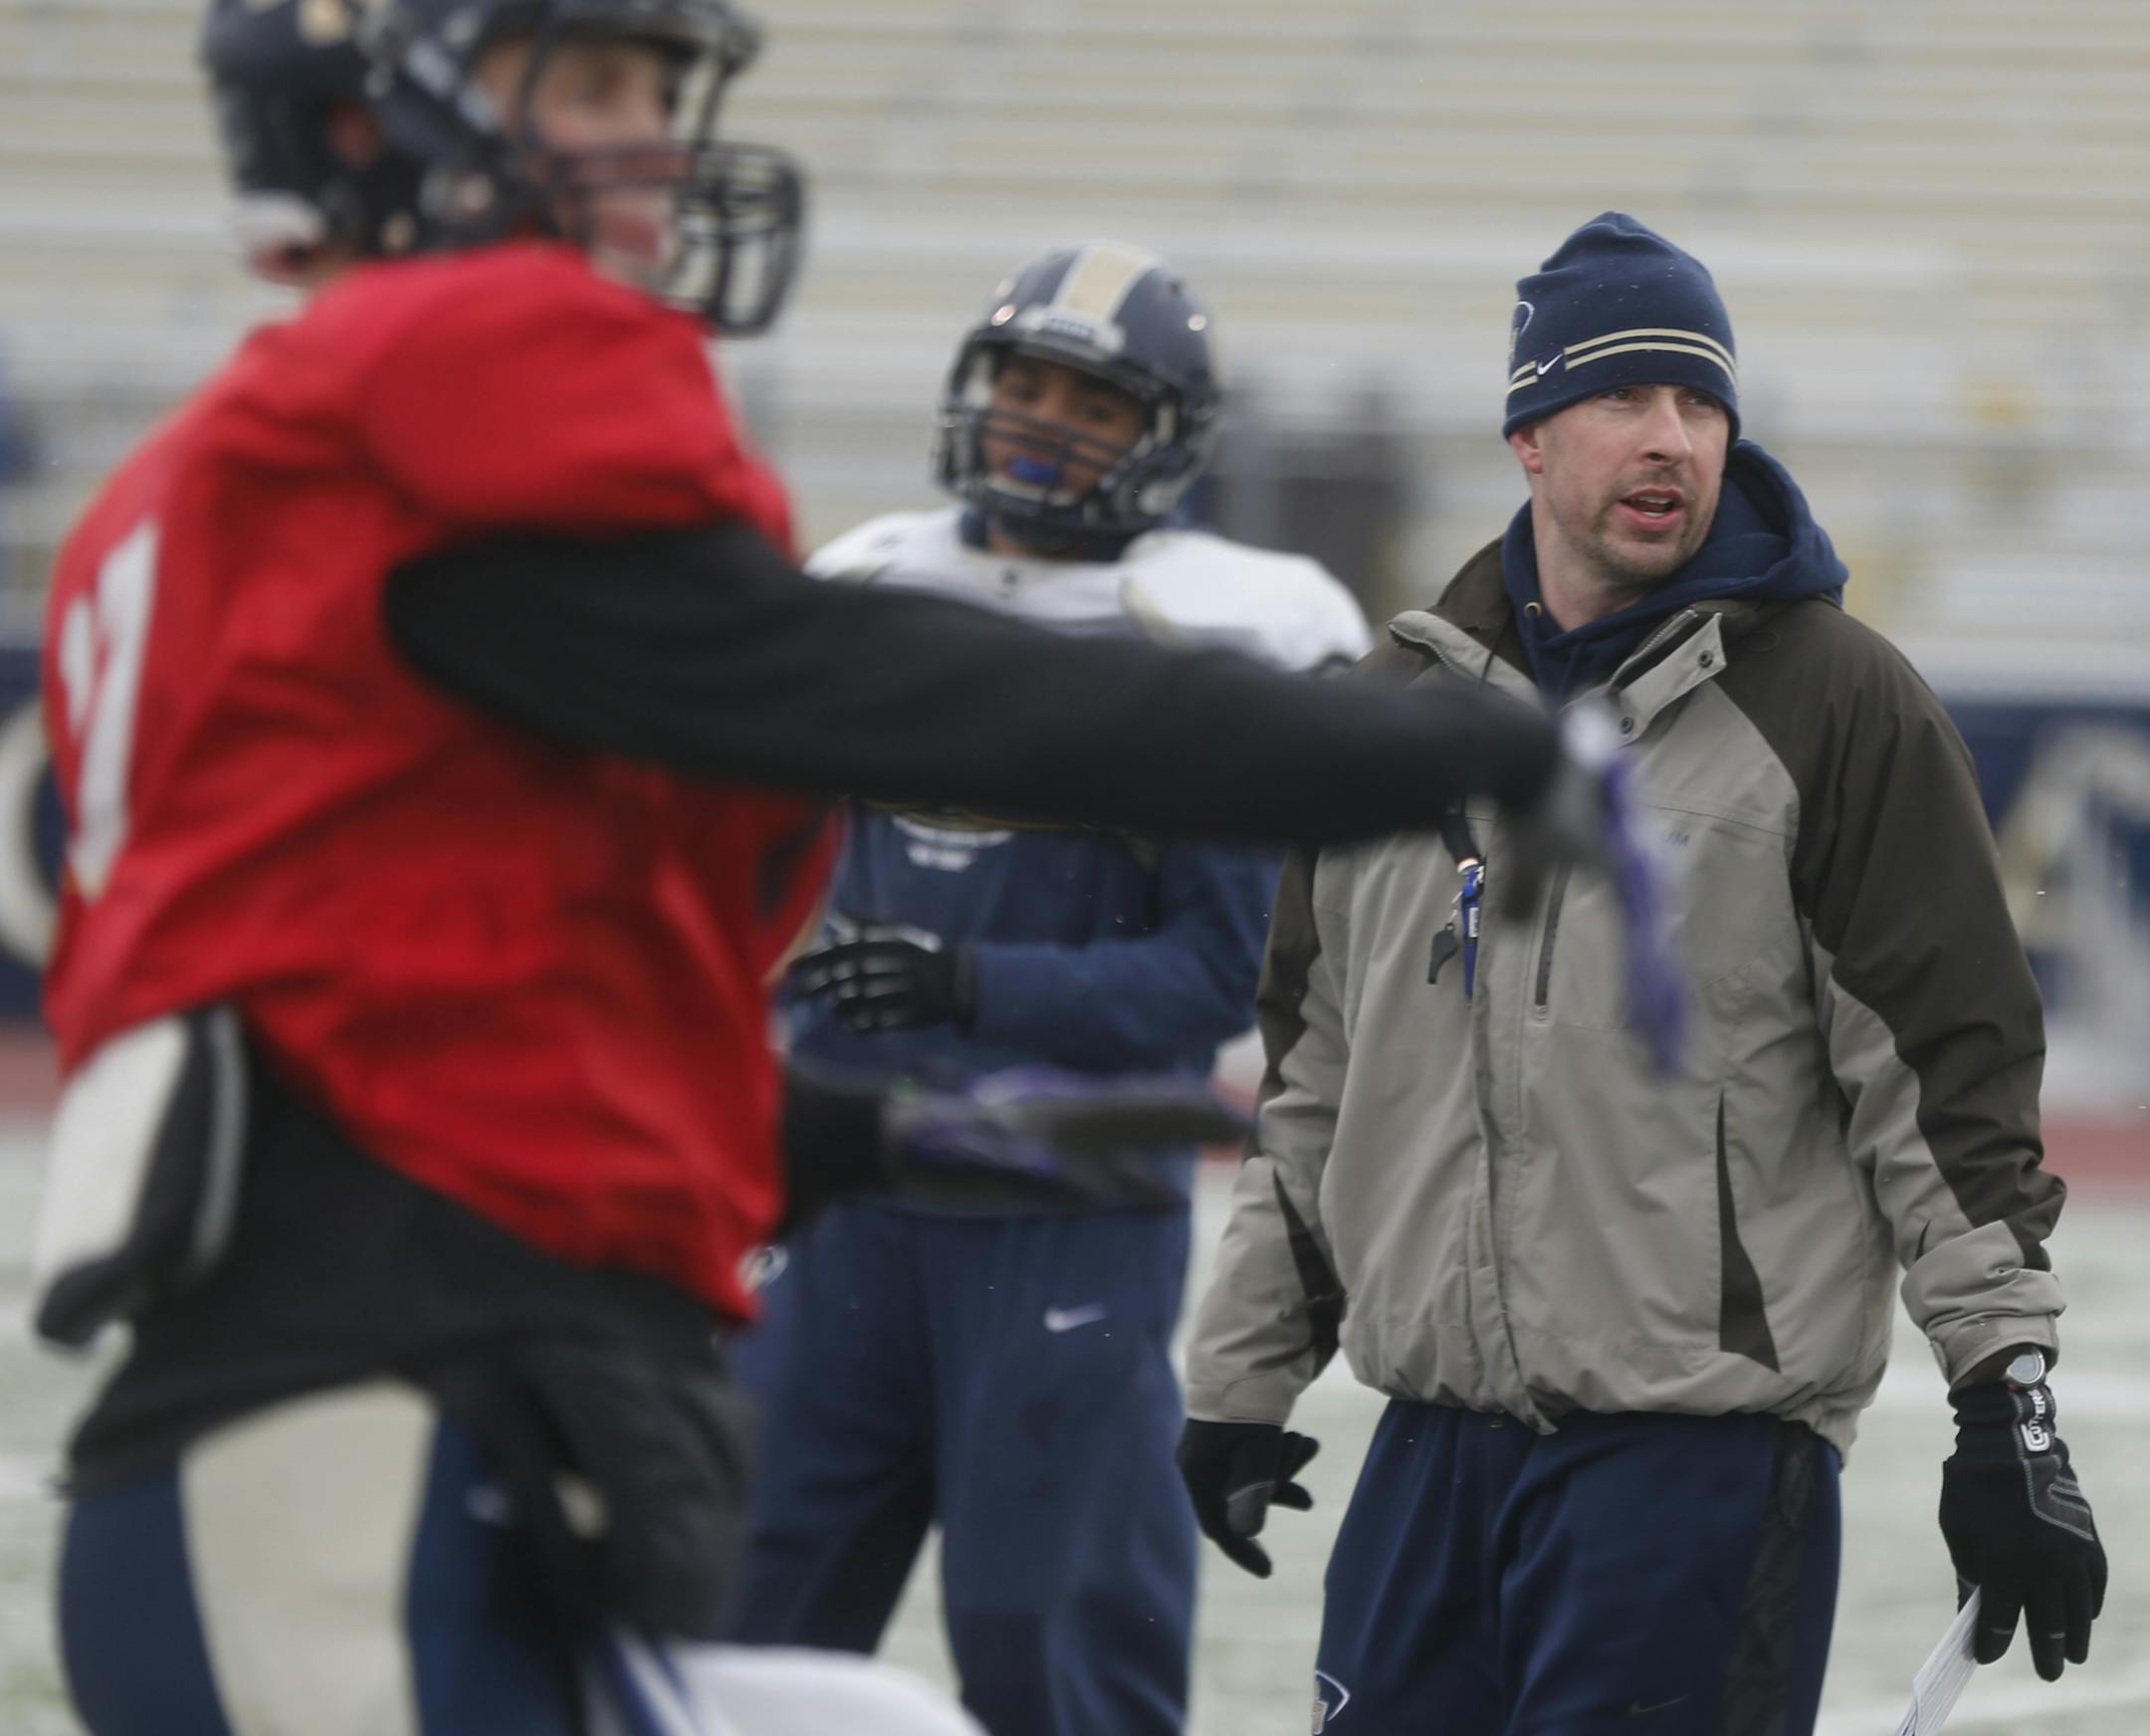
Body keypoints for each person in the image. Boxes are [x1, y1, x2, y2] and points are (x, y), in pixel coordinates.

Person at [33, 4, 1628, 1732]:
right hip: (343, 1439)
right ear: (367, 127)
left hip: (376, 1404)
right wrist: (1447, 746)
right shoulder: (442, 392)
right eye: (582, 84)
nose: (646, 134)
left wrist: (869, 1132)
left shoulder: (223, 480)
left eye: (655, 84)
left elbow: (445, 998)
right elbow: (881, 694)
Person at [1177, 212, 2108, 1735]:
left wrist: (2004, 1398)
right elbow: (1314, 1085)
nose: (1670, 438)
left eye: (1699, 402)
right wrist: (1239, 1381)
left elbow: (1944, 1085)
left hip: (1701, 1466)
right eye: (1623, 399)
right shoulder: (1393, 713)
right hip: (1433, 1455)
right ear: (1531, 434)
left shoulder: (1839, 703)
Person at [730, 243, 1369, 1736]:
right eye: (1022, 381)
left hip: (1062, 1216)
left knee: (1049, 1648)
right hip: (832, 1224)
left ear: (1166, 435)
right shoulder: (873, 591)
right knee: (728, 1620)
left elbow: (1205, 980)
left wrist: (967, 982)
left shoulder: (1212, 640)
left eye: (1089, 399)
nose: (1039, 419)